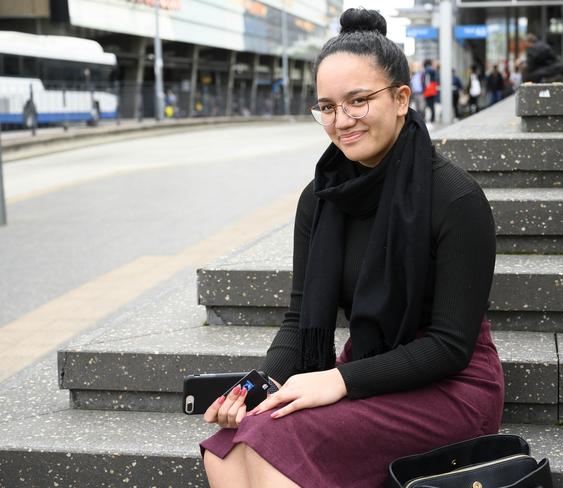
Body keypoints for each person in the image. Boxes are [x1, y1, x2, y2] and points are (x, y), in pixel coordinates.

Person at [199, 8, 504, 488]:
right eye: (327, 106)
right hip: (365, 365)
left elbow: (449, 347)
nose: (341, 121)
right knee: (226, 448)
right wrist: (260, 385)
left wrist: (336, 381)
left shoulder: (456, 198)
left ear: (402, 98)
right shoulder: (320, 199)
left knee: (269, 447)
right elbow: (300, 321)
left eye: (357, 101)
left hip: (450, 387)